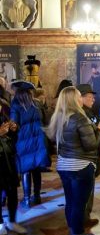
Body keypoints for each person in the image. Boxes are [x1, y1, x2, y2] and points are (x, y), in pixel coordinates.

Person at [46, 86, 100, 235]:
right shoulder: (80, 118)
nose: (80, 98)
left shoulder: (58, 117)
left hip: (64, 165)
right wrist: (99, 132)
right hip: (81, 166)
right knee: (79, 204)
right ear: (74, 99)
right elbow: (91, 145)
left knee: (71, 202)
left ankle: (75, 233)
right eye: (79, 96)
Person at [10, 80, 50, 208]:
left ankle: (27, 199)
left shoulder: (15, 104)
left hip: (24, 140)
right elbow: (46, 120)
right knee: (36, 169)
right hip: (38, 139)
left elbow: (14, 124)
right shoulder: (37, 103)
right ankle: (37, 196)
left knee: (25, 169)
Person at [76, 84, 100, 228]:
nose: (93, 99)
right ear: (80, 98)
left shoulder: (88, 113)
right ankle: (84, 218)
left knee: (86, 188)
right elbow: (91, 140)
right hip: (87, 157)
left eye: (93, 97)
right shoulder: (83, 116)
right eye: (90, 97)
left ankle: (83, 217)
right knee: (86, 189)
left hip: (89, 156)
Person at [0, 90, 25, 235]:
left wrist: (13, 128)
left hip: (8, 155)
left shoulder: (4, 106)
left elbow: (10, 128)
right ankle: (0, 224)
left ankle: (12, 221)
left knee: (12, 190)